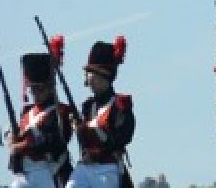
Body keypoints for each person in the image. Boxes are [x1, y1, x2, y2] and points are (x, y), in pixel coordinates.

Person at [69, 37, 135, 188]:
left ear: (103, 75)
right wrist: (77, 128)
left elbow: (120, 139)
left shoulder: (119, 106)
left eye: (91, 73)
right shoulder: (87, 107)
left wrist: (90, 132)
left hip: (107, 167)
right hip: (85, 167)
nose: (88, 78)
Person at [13, 49, 77, 188]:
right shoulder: (26, 112)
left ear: (50, 88)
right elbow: (17, 141)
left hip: (49, 170)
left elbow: (59, 140)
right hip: (25, 172)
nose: (35, 93)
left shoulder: (61, 111)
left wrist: (26, 144)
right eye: (32, 89)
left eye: (39, 89)